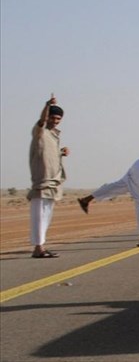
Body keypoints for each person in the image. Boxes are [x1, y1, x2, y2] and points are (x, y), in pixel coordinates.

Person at [27, 94, 69, 259]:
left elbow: (49, 155)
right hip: (42, 182)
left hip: (53, 183)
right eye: (53, 117)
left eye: (58, 118)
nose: (55, 121)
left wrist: (61, 153)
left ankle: (42, 246)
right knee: (38, 217)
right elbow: (41, 121)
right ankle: (38, 248)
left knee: (46, 217)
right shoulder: (40, 132)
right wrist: (46, 105)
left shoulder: (54, 136)